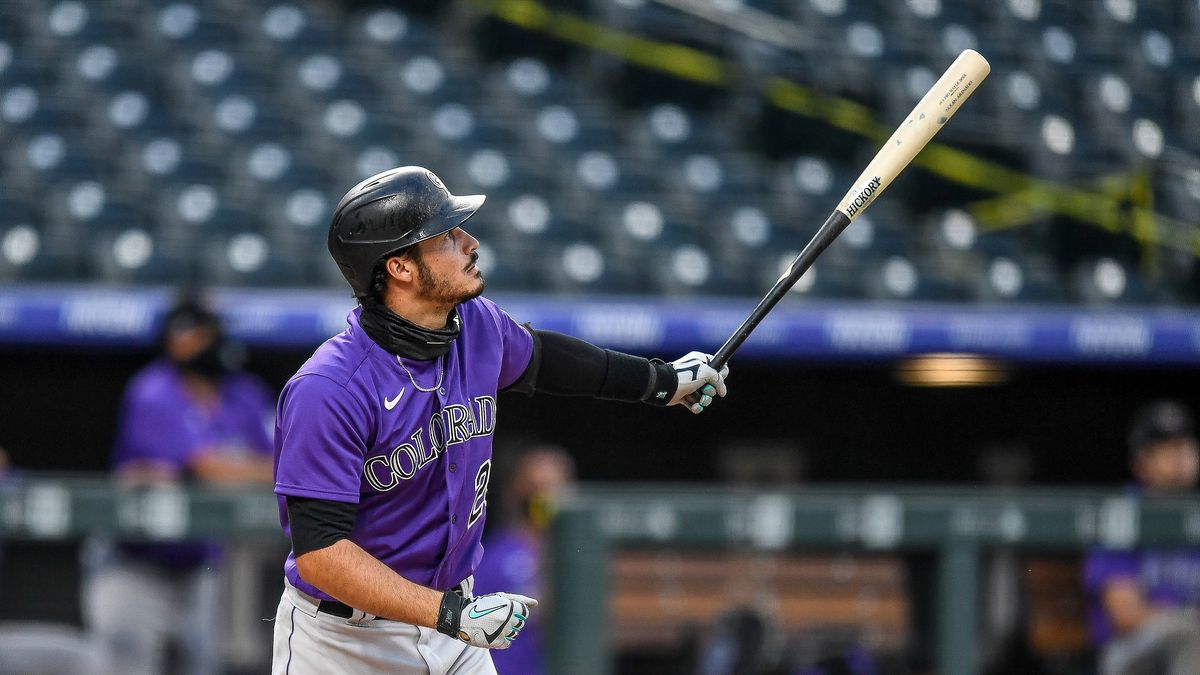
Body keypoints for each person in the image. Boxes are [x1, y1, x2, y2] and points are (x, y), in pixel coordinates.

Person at [271, 166, 730, 674]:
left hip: (455, 627)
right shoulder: (328, 390)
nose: (470, 241)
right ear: (400, 267)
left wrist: (662, 382)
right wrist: (449, 614)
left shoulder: (474, 326)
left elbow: (547, 359)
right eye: (446, 236)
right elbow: (322, 554)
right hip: (347, 643)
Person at [82, 296, 275, 675]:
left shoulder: (243, 393)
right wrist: (241, 468)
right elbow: (205, 467)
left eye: (200, 333)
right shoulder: (153, 390)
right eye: (184, 334)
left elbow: (288, 463)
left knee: (205, 666)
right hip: (134, 563)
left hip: (200, 566)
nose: (191, 343)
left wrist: (234, 469)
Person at [1083, 399, 1200, 675]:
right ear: (1141, 462)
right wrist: (1182, 617)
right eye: (1167, 449)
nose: (1180, 457)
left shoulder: (1195, 511)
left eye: (1185, 445)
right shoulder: (1122, 514)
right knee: (1188, 637)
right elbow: (1125, 615)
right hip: (1130, 650)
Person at [472, 445, 575, 675]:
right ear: (515, 491)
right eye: (537, 488)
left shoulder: (584, 557)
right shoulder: (493, 557)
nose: (548, 497)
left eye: (556, 487)